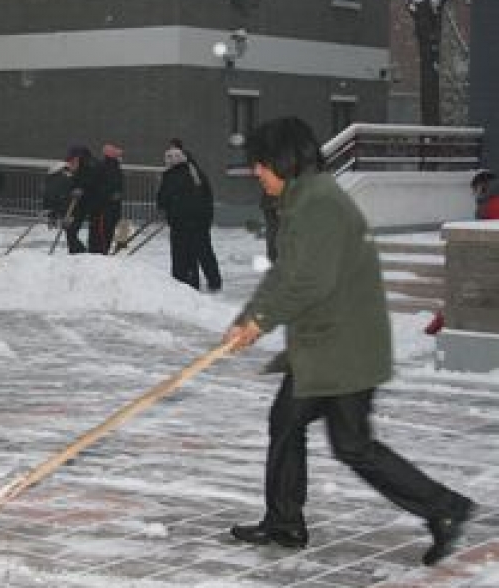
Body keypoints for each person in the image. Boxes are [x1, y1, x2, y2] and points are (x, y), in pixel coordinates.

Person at [223, 116, 474, 566]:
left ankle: (446, 509)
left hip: (342, 349)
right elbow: (285, 273)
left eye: (260, 165)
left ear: (282, 161)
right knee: (288, 424)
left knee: (351, 445)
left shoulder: (318, 204)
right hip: (327, 346)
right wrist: (248, 319)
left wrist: (259, 321)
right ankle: (284, 522)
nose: (256, 173)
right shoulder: (304, 200)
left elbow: (309, 281)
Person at [423, 169, 498, 335]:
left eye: (475, 190)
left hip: (489, 260)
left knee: (461, 291)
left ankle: (439, 324)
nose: (474, 194)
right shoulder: (490, 201)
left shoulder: (492, 203)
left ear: (483, 187)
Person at [156, 146, 221, 291]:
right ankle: (214, 281)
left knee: (182, 256)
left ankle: (184, 286)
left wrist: (165, 207)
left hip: (181, 224)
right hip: (200, 222)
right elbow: (208, 196)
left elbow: (162, 200)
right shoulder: (196, 173)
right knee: (203, 252)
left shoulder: (171, 176)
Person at [62, 145, 99, 254]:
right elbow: (73, 181)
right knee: (70, 228)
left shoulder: (92, 165)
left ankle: (89, 254)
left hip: (91, 202)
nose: (71, 162)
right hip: (77, 203)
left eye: (73, 159)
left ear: (79, 157)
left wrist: (82, 189)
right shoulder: (76, 166)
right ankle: (78, 252)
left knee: (95, 232)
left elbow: (93, 181)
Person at [90, 143, 125, 254]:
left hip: (110, 207)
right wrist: (111, 195)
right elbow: (98, 187)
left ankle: (102, 252)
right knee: (103, 234)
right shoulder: (104, 167)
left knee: (106, 232)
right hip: (104, 208)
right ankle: (100, 253)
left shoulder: (115, 168)